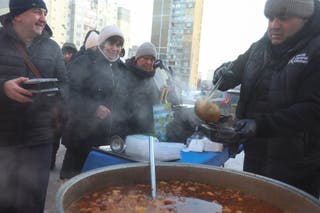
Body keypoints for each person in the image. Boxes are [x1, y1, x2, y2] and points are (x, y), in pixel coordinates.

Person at [212, 0, 320, 198]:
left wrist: (259, 125)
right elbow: (233, 71)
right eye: (270, 18)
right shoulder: (259, 48)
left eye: (284, 18)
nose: (274, 25)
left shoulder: (315, 50)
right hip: (256, 159)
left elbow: (313, 109)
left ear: (305, 18)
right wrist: (222, 74)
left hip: (297, 169)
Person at [0, 0, 67, 212]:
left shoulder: (53, 47)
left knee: (32, 201)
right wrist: (3, 88)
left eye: (45, 13)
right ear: (18, 14)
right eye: (37, 12)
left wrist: (55, 95)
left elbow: (65, 84)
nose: (43, 18)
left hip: (40, 139)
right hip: (3, 139)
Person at [60, 25, 130, 179]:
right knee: (73, 183)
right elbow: (68, 93)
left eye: (119, 45)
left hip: (108, 140)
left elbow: (125, 102)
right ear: (102, 43)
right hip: (81, 136)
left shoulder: (122, 69)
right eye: (111, 43)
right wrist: (93, 108)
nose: (115, 48)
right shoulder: (84, 62)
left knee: (98, 186)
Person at [126, 42, 182, 136]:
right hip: (131, 132)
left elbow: (174, 102)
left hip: (155, 131)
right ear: (137, 59)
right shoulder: (127, 73)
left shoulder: (158, 77)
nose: (149, 62)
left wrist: (168, 93)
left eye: (152, 59)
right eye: (145, 58)